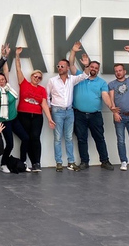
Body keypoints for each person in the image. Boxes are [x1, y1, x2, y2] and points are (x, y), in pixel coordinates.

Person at [46, 42, 89, 172]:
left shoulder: (72, 79)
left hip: (69, 112)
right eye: (58, 66)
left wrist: (86, 64)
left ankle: (71, 162)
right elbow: (47, 96)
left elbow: (85, 75)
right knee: (58, 138)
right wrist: (49, 109)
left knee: (69, 138)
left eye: (62, 66)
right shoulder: (52, 81)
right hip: (57, 111)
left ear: (68, 68)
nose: (59, 67)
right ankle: (59, 162)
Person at [14, 46, 55, 172]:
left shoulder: (42, 90)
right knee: (26, 138)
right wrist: (17, 55)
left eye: (39, 77)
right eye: (35, 76)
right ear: (31, 76)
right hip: (23, 115)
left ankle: (36, 163)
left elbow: (44, 105)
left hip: (37, 116)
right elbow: (18, 69)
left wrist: (49, 119)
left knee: (35, 138)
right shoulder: (24, 83)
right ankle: (23, 162)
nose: (36, 78)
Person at [73, 54, 116, 171]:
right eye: (92, 67)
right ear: (88, 67)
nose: (94, 69)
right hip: (79, 114)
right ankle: (84, 162)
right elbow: (71, 65)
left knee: (99, 138)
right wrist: (73, 51)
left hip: (95, 115)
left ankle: (105, 161)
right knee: (82, 139)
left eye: (96, 68)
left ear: (98, 70)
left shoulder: (101, 83)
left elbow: (105, 96)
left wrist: (111, 106)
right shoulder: (79, 77)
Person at [0, 63, 28, 173]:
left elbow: (6, 70)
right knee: (10, 144)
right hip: (4, 121)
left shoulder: (8, 88)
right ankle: (3, 164)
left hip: (14, 119)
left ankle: (23, 162)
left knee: (25, 138)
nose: (1, 81)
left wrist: (5, 57)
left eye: (3, 79)